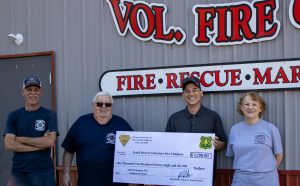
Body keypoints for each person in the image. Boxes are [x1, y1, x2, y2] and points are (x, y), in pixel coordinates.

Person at [61, 91, 133, 186]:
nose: (104, 107)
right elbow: (68, 150)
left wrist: (147, 176)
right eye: (99, 104)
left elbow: (135, 152)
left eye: (108, 104)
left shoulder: (122, 125)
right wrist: (66, 174)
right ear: (93, 105)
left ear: (112, 106)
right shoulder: (81, 123)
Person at [165, 76, 227, 182]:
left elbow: (223, 143)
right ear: (183, 95)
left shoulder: (212, 116)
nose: (191, 94)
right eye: (187, 91)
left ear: (201, 93)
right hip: (179, 175)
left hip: (204, 175)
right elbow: (165, 145)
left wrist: (217, 144)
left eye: (194, 90)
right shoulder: (174, 118)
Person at [3, 76, 58, 186]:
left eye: (36, 90)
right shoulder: (14, 116)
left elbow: (50, 142)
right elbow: (9, 144)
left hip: (44, 173)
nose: (33, 93)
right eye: (29, 89)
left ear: (41, 92)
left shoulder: (49, 115)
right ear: (23, 92)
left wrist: (20, 138)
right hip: (19, 173)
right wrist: (39, 145)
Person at [226, 92, 283, 186]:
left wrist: (265, 171)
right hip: (241, 180)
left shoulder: (270, 128)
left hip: (267, 180)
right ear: (241, 107)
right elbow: (232, 154)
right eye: (246, 104)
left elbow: (279, 155)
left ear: (260, 108)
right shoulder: (234, 129)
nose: (250, 107)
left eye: (254, 104)